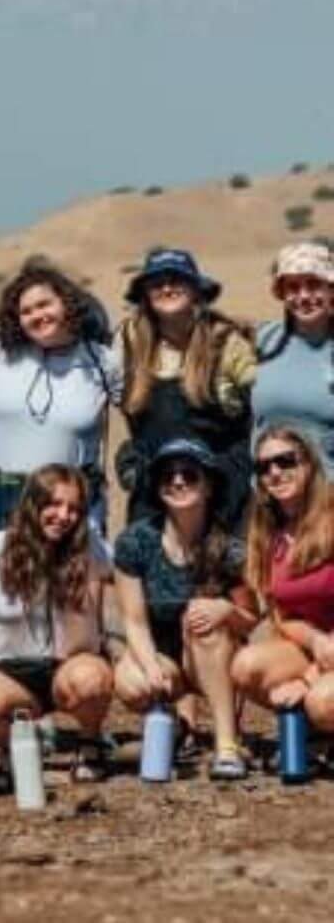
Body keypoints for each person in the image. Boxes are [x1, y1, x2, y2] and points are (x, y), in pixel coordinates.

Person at [0, 465, 115, 787]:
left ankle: (90, 740)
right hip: (12, 670)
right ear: (32, 504)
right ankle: (19, 743)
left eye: (73, 508)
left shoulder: (90, 546)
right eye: (53, 504)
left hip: (70, 663)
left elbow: (124, 575)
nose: (63, 515)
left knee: (92, 681)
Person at [112, 438, 253, 780]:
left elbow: (250, 619)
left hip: (215, 657)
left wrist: (224, 609)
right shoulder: (135, 542)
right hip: (165, 659)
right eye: (167, 476)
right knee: (132, 681)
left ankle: (226, 744)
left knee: (202, 617)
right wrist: (149, 666)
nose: (177, 482)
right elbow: (134, 620)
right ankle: (173, 726)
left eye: (189, 475)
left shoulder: (229, 547)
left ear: (208, 486)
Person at [0, 260, 121, 536]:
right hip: (5, 497)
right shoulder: (0, 352)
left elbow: (140, 412)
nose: (37, 315)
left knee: (73, 579)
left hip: (70, 503)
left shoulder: (104, 361)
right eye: (26, 311)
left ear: (67, 303)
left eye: (45, 304)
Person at [116, 248, 256, 518]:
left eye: (177, 279)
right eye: (156, 283)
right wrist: (129, 461)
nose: (167, 288)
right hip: (155, 501)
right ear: (145, 294)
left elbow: (267, 406)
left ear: (196, 290)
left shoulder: (226, 344)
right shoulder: (128, 346)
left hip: (222, 499)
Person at [231, 428, 334, 735]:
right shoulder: (268, 534)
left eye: (286, 461)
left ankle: (318, 717)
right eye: (264, 467)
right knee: (245, 667)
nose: (275, 472)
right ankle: (316, 733)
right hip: (315, 645)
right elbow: (281, 615)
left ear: (309, 465)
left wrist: (308, 679)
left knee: (322, 700)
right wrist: (316, 642)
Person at [253, 242, 334, 462]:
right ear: (281, 293)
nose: (304, 296)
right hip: (267, 487)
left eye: (314, 284)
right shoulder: (260, 341)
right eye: (293, 287)